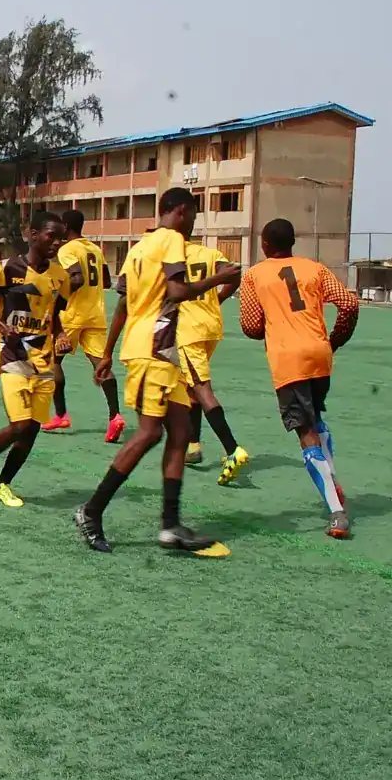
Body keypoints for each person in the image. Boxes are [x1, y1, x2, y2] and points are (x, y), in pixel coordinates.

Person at [74, 188, 240, 556]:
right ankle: (91, 510)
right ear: (180, 211)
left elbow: (124, 304)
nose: (195, 221)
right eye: (194, 214)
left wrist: (106, 353)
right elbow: (178, 291)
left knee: (180, 432)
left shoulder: (138, 248)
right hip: (152, 349)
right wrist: (218, 279)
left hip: (156, 349)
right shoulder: (171, 241)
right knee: (149, 433)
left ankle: (170, 525)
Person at [240, 219, 360, 539]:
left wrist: (271, 318)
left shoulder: (254, 275)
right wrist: (333, 341)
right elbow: (348, 304)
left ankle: (336, 512)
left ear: (265, 245)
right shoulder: (315, 268)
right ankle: (331, 476)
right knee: (316, 419)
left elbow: (250, 326)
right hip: (320, 355)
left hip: (288, 361)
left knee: (305, 433)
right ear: (293, 243)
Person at [0, 211, 70, 507]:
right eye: (51, 236)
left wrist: (62, 334)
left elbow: (55, 315)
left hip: (44, 360)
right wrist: (3, 327)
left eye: (60, 238)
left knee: (32, 429)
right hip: (12, 355)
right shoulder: (7, 268)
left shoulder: (60, 277)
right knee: (19, 424)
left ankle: (4, 483)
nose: (56, 243)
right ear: (33, 234)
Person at [47, 209, 124, 442]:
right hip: (95, 314)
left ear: (65, 227)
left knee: (51, 360)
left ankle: (60, 414)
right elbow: (108, 281)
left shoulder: (68, 249)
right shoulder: (94, 249)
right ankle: (115, 416)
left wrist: (60, 295)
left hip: (72, 315)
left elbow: (77, 278)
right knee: (100, 364)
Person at [179, 238, 250, 482]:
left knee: (201, 387)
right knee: (191, 387)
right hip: (211, 326)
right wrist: (216, 300)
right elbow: (234, 274)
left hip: (189, 331)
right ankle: (193, 445)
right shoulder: (209, 252)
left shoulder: (171, 256)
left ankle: (232, 449)